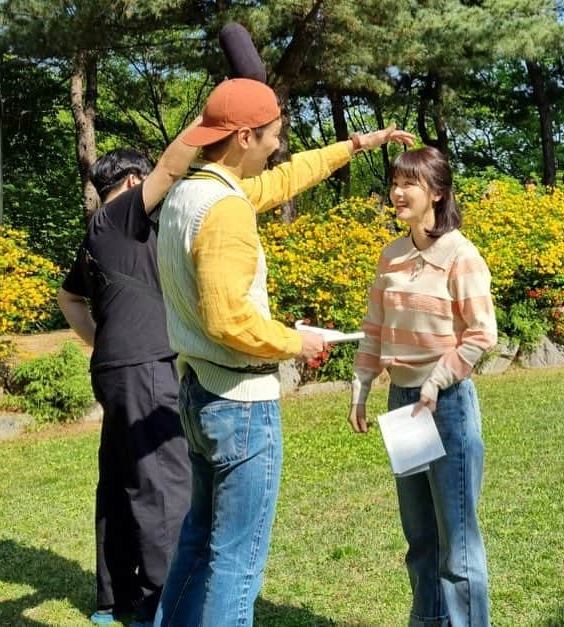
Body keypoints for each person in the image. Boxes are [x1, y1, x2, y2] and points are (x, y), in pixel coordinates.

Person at [153, 77, 413, 627]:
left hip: (200, 391)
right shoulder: (224, 210)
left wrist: (360, 144)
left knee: (199, 541)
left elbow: (283, 181)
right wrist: (299, 341)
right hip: (239, 403)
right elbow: (229, 320)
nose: (278, 145)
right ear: (245, 136)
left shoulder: (190, 191)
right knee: (236, 562)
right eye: (273, 135)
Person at [57, 117, 206, 627]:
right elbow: (171, 165)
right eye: (146, 182)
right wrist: (212, 118)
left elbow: (68, 297)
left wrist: (103, 340)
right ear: (130, 183)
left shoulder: (100, 233)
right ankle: (166, 602)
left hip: (121, 366)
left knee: (122, 475)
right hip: (144, 367)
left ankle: (114, 599)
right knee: (163, 480)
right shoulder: (121, 216)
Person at [348, 146, 497, 627]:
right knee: (420, 537)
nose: (396, 193)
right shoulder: (390, 256)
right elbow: (375, 328)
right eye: (394, 183)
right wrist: (361, 386)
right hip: (402, 405)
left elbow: (481, 334)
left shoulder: (460, 254)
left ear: (436, 192)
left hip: (446, 405)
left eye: (408, 183)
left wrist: (437, 380)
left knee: (458, 541)